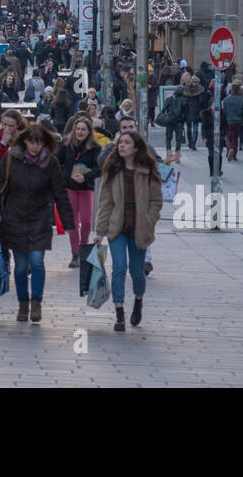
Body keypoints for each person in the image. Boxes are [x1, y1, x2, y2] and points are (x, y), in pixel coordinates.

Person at [0, 122, 74, 324]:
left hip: (39, 218)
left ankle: (36, 302)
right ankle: (22, 303)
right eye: (31, 142)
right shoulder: (11, 158)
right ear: (24, 141)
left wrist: (68, 221)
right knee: (20, 266)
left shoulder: (50, 162)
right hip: (13, 218)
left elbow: (60, 192)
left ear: (44, 143)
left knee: (36, 261)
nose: (34, 146)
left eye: (38, 142)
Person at [94, 131, 164, 333]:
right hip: (117, 228)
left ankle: (138, 301)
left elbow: (156, 201)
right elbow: (105, 202)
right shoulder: (112, 169)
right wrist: (100, 231)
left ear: (136, 148)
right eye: (120, 143)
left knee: (137, 272)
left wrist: (149, 221)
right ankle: (119, 313)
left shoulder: (148, 170)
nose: (121, 146)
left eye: (127, 143)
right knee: (118, 267)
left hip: (140, 228)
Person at [58, 115, 103, 268]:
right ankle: (75, 253)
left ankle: (84, 248)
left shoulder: (95, 147)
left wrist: (85, 177)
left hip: (86, 187)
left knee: (86, 221)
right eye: (78, 129)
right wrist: (68, 175)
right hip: (70, 186)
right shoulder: (65, 143)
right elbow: (58, 162)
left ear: (89, 131)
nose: (80, 132)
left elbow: (100, 169)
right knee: (72, 222)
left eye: (83, 129)